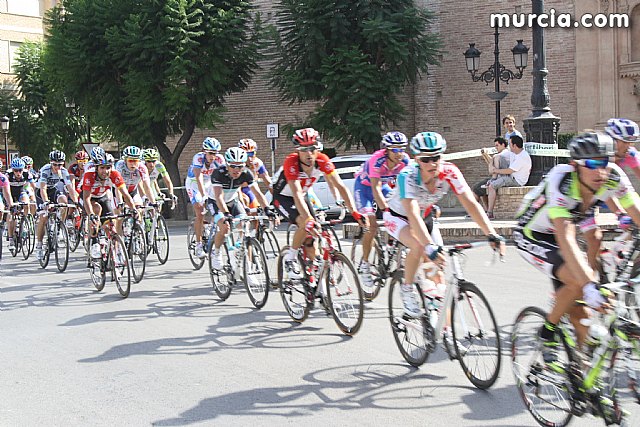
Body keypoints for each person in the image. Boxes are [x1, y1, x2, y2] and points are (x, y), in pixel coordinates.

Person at [513, 131, 640, 372]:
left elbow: (636, 211)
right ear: (575, 165)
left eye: (604, 162)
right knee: (576, 281)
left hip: (572, 223)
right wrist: (589, 285)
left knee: (581, 314)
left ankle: (581, 372)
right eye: (592, 164)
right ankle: (547, 331)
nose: (600, 171)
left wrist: (591, 281)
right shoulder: (561, 180)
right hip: (535, 233)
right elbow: (565, 236)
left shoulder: (613, 177)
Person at [383, 131, 504, 317]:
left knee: (438, 271)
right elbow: (413, 215)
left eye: (437, 157)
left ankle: (442, 328)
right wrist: (429, 247)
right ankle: (407, 289)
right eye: (426, 159)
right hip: (399, 216)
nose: (432, 163)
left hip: (424, 217)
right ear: (417, 159)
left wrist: (491, 233)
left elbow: (471, 204)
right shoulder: (407, 176)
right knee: (418, 247)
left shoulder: (449, 171)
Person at [272, 128, 367, 278]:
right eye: (304, 149)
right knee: (305, 223)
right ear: (297, 151)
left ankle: (313, 272)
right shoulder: (291, 162)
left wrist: (355, 212)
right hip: (284, 197)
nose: (309, 153)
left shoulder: (322, 160)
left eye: (312, 148)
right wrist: (308, 220)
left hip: (302, 196)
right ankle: (290, 258)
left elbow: (340, 186)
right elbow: (295, 193)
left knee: (312, 236)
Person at [353, 131, 410, 288]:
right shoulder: (377, 160)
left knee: (401, 214)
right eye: (395, 150)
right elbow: (375, 188)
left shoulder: (405, 161)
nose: (399, 154)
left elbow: (409, 186)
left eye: (402, 149)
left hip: (383, 187)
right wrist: (385, 209)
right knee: (372, 226)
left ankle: (391, 246)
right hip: (365, 188)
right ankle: (365, 263)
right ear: (387, 150)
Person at [209, 147, 272, 269]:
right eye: (233, 166)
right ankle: (216, 253)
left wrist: (267, 209)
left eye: (240, 166)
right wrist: (226, 213)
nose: (236, 170)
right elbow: (218, 196)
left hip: (233, 201)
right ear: (227, 164)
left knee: (245, 226)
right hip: (216, 202)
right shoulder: (218, 173)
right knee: (224, 227)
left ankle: (244, 261)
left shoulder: (246, 173)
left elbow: (258, 194)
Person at [82, 147, 137, 259]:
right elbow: (86, 198)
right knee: (96, 210)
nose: (105, 171)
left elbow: (125, 194)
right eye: (102, 168)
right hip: (89, 198)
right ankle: (93, 242)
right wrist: (91, 215)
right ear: (97, 168)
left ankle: (115, 254)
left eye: (108, 168)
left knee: (110, 224)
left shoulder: (115, 174)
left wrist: (133, 209)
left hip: (102, 196)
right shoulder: (89, 175)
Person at [185, 137, 226, 258]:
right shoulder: (198, 158)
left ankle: (209, 227)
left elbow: (223, 177)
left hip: (209, 182)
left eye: (215, 153)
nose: (213, 156)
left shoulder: (219, 159)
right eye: (210, 153)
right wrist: (203, 196)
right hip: (194, 183)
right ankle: (198, 245)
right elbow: (199, 178)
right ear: (204, 151)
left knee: (218, 205)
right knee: (200, 210)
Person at [34, 150, 79, 260]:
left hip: (54, 189)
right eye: (54, 164)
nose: (57, 167)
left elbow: (70, 189)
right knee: (43, 217)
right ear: (51, 163)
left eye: (60, 164)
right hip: (41, 191)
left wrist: (77, 202)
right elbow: (43, 189)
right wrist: (46, 202)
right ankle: (39, 245)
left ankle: (59, 226)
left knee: (64, 201)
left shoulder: (63, 171)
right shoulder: (45, 170)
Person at [486, 135, 532, 219]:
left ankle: (490, 213)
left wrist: (495, 170)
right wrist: (493, 159)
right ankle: (493, 179)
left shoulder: (522, 157)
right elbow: (499, 155)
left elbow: (509, 171)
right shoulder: (514, 153)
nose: (509, 146)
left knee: (491, 186)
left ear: (514, 145)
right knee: (500, 159)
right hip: (511, 176)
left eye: (510, 144)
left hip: (516, 181)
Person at [472, 137, 510, 210]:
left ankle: (474, 211)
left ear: (503, 145)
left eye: (497, 145)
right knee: (482, 189)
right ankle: (486, 210)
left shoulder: (501, 155)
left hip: (499, 178)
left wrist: (486, 156)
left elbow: (492, 169)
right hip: (499, 177)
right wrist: (485, 155)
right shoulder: (504, 154)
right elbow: (492, 164)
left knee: (475, 188)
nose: (496, 148)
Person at [6, 158, 34, 250]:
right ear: (12, 170)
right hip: (10, 193)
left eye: (20, 170)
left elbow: (33, 187)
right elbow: (5, 191)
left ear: (23, 169)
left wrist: (34, 199)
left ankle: (24, 223)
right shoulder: (8, 175)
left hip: (21, 191)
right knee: (11, 214)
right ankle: (10, 239)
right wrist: (10, 204)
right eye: (15, 170)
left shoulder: (27, 174)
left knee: (26, 203)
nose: (18, 173)